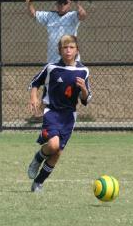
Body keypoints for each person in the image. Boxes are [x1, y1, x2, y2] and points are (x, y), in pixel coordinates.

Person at [26, 35, 91, 192]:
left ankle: (38, 183)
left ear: (77, 50)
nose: (68, 50)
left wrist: (83, 89)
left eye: (71, 47)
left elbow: (86, 99)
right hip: (52, 112)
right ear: (59, 50)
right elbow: (35, 83)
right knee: (53, 145)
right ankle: (38, 158)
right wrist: (34, 97)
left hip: (69, 117)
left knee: (57, 152)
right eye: (65, 48)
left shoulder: (83, 71)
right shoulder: (51, 68)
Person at [24, 0, 87, 64]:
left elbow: (83, 15)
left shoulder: (73, 15)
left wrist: (76, 2)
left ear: (69, 4)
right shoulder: (49, 16)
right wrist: (29, 3)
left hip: (71, 57)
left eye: (65, 2)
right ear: (56, 4)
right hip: (53, 58)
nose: (62, 5)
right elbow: (33, 15)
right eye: (60, 2)